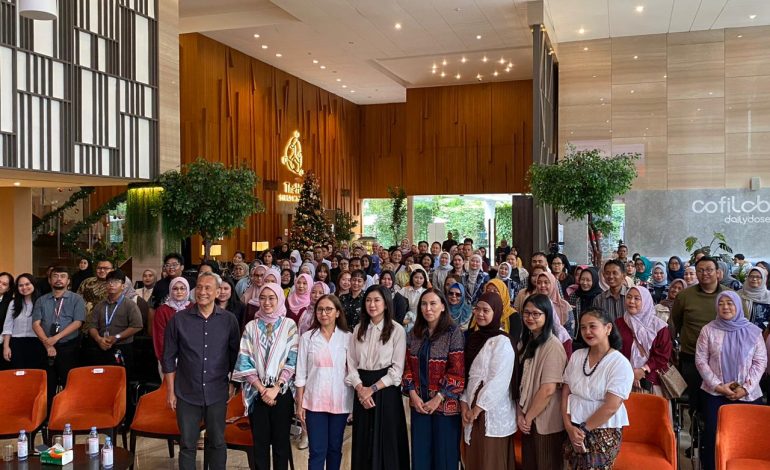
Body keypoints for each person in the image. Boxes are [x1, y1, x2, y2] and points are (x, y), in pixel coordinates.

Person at [162, 272, 240, 470]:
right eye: (199, 287)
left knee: (217, 442)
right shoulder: (178, 320)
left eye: (208, 288)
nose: (202, 292)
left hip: (217, 392)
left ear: (217, 292)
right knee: (187, 444)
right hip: (187, 392)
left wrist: (233, 384)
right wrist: (170, 391)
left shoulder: (229, 320)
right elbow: (168, 358)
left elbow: (236, 357)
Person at [696, 291, 767, 470]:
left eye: (730, 303)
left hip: (747, 395)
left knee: (748, 438)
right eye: (721, 303)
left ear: (738, 305)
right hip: (715, 393)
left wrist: (746, 388)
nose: (725, 307)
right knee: (715, 436)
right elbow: (701, 361)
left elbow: (760, 362)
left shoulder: (753, 331)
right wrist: (718, 386)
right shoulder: (708, 330)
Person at [232, 283, 298, 470]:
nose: (266, 302)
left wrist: (276, 387)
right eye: (262, 298)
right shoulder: (251, 326)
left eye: (271, 298)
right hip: (257, 393)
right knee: (259, 445)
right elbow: (244, 360)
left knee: (281, 444)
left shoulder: (289, 325)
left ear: (279, 299)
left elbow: (293, 358)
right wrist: (262, 389)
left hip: (281, 392)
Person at [561, 307, 634, 470]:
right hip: (573, 426)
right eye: (583, 327)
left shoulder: (619, 363)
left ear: (608, 328)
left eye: (592, 326)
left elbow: (611, 406)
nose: (587, 331)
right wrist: (568, 426)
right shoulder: (577, 356)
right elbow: (566, 392)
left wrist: (583, 430)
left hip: (603, 430)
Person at [347, 285, 409, 469]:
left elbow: (397, 370)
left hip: (385, 390)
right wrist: (360, 388)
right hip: (362, 389)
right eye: (368, 300)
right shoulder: (358, 329)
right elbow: (351, 364)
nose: (372, 304)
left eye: (376, 300)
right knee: (363, 440)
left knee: (387, 441)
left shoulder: (397, 330)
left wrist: (372, 389)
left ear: (386, 303)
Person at [402, 288, 465, 470]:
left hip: (444, 407)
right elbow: (407, 366)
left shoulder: (453, 333)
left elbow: (457, 371)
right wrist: (413, 394)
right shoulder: (414, 333)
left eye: (433, 303)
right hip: (419, 404)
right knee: (421, 455)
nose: (428, 308)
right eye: (424, 304)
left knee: (444, 456)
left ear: (443, 306)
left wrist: (438, 397)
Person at [295, 295, 352, 470]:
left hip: (340, 401)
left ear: (337, 313)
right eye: (320, 309)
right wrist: (299, 403)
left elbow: (352, 372)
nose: (324, 313)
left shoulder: (348, 337)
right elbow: (301, 373)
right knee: (317, 451)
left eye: (329, 309)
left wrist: (354, 405)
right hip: (314, 402)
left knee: (334, 449)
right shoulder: (307, 338)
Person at [461, 292, 516, 470]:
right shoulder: (474, 338)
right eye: (477, 309)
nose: (480, 314)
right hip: (471, 410)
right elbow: (467, 375)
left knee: (490, 459)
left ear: (496, 312)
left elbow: (499, 381)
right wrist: (464, 404)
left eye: (486, 310)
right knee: (474, 458)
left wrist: (477, 409)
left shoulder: (502, 342)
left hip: (490, 412)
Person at [671, 256, 730, 417]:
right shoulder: (684, 296)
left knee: (720, 402)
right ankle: (696, 431)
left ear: (718, 272)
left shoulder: (729, 296)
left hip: (724, 358)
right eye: (700, 270)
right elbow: (675, 323)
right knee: (695, 402)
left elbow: (741, 324)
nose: (705, 273)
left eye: (709, 270)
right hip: (692, 357)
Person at [517, 294, 568, 470]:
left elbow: (548, 389)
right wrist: (521, 414)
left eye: (536, 314)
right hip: (529, 418)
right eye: (527, 313)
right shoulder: (528, 341)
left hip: (545, 421)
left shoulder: (553, 346)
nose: (530, 317)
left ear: (547, 315)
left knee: (547, 464)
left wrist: (528, 417)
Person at [31, 267, 86, 411]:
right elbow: (36, 324)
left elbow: (78, 323)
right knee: (48, 384)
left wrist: (56, 338)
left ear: (68, 281)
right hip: (45, 347)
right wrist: (48, 344)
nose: (59, 279)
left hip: (69, 347)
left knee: (69, 382)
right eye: (55, 276)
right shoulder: (41, 300)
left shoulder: (77, 299)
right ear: (50, 280)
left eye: (63, 276)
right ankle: (48, 415)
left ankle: (68, 413)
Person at [615, 287, 672, 395]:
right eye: (629, 297)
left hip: (651, 382)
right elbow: (614, 351)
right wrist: (629, 373)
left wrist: (643, 370)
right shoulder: (619, 323)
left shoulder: (659, 327)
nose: (631, 301)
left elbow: (663, 356)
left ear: (646, 301)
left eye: (637, 298)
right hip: (624, 380)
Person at [87, 270, 143, 374]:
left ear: (123, 286)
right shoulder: (99, 305)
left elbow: (137, 326)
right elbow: (92, 326)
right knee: (102, 377)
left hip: (122, 347)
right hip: (102, 346)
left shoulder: (130, 305)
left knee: (122, 377)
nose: (111, 284)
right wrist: (98, 339)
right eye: (109, 282)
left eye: (116, 282)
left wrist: (116, 337)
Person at [2, 274, 43, 370]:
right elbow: (8, 326)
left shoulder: (41, 302)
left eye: (27, 284)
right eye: (20, 285)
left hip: (37, 342)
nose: (24, 287)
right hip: (16, 343)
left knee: (34, 373)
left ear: (33, 284)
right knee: (18, 373)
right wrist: (6, 347)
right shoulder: (13, 303)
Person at [153, 277, 191, 364]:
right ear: (170, 290)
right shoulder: (162, 310)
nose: (179, 291)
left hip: (190, 357)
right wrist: (164, 358)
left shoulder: (193, 308)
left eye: (182, 288)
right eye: (175, 288)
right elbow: (159, 336)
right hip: (168, 356)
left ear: (187, 290)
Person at [400, 266, 428, 333]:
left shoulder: (426, 292)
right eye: (416, 277)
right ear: (412, 277)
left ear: (424, 279)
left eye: (421, 278)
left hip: (420, 321)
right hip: (404, 320)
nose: (418, 280)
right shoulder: (404, 290)